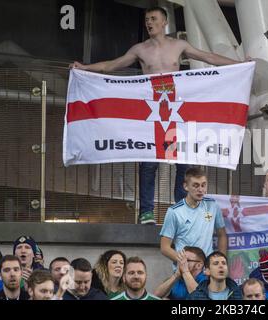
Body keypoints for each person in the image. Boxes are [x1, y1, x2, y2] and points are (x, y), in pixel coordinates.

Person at [70, 6, 244, 225]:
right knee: (149, 164)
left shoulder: (178, 45)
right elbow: (111, 65)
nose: (149, 23)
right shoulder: (139, 49)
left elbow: (207, 56)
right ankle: (146, 212)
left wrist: (239, 65)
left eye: (153, 19)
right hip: (150, 112)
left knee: (182, 161)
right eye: (146, 20)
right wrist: (85, 68)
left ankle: (182, 208)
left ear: (164, 22)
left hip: (176, 111)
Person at [160, 167, 227, 264]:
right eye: (196, 185)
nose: (200, 189)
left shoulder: (213, 206)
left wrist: (221, 260)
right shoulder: (174, 211)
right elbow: (165, 248)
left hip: (206, 270)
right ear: (186, 186)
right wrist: (186, 262)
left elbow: (222, 235)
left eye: (203, 185)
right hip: (185, 270)